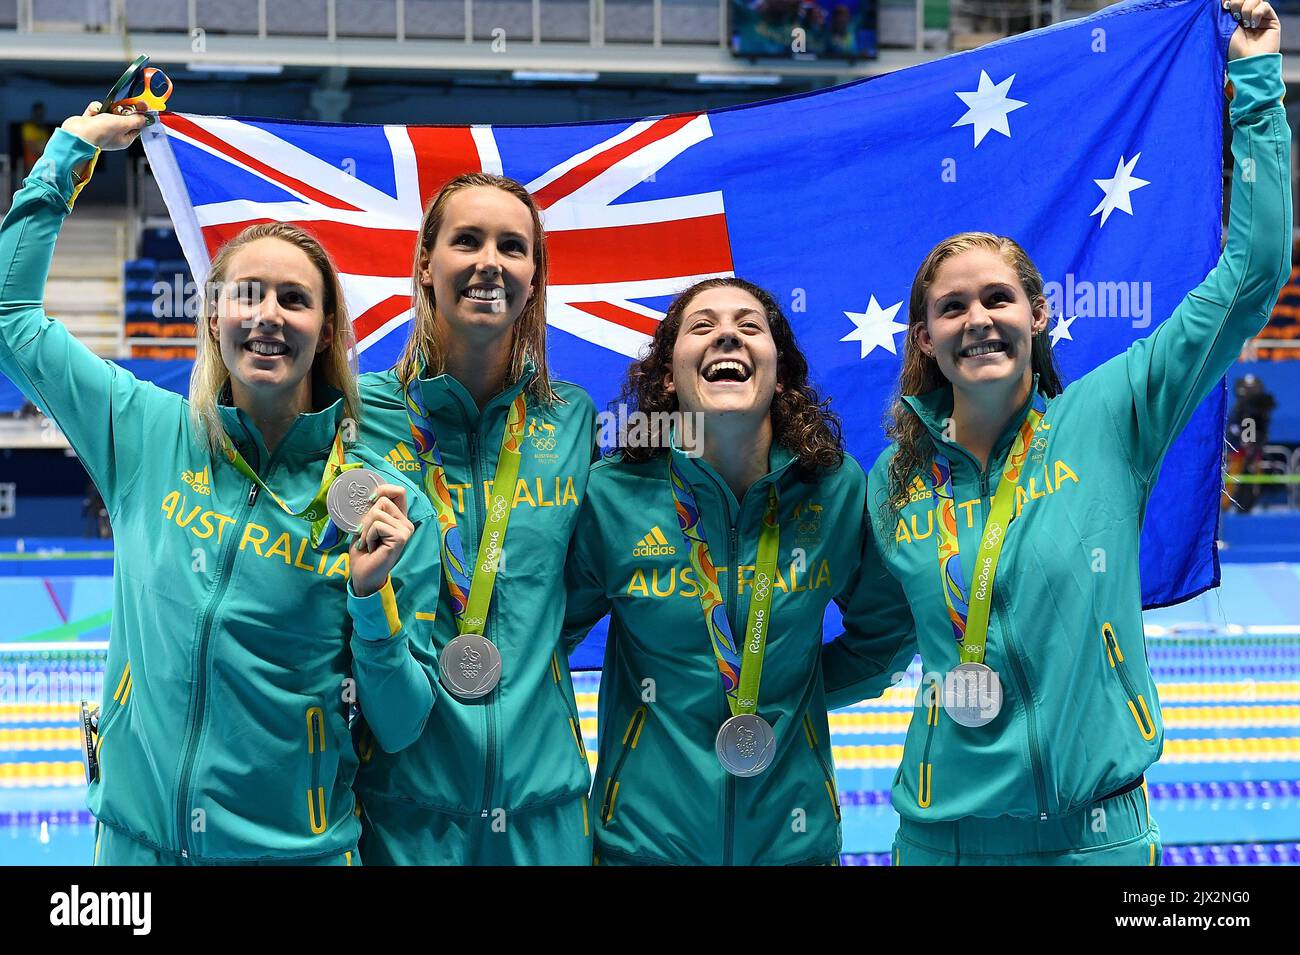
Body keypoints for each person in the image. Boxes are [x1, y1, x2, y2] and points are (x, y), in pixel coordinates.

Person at [867, 0, 1289, 865]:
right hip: (936, 843)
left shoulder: (1109, 416)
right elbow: (870, 643)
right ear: (924, 340)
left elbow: (1252, 273)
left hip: (1095, 842)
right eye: (952, 307)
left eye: (997, 299)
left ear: (1038, 315)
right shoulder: (894, 481)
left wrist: (1253, 78)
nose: (978, 320)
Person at [0, 102, 440, 865]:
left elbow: (400, 724)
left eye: (295, 299)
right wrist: (67, 154)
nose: (268, 316)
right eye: (246, 294)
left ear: (329, 330)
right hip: (133, 851)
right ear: (212, 318)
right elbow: (10, 316)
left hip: (296, 855)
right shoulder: (145, 431)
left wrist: (373, 605)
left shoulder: (386, 506)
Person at [562, 277, 915, 865]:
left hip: (793, 847)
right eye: (702, 327)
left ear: (779, 373)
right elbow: (542, 642)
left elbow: (885, 638)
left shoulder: (833, 489)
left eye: (750, 327)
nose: (727, 334)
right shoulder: (613, 496)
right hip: (643, 848)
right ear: (669, 376)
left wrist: (793, 695)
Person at [352, 172, 598, 865]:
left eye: (513, 247)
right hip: (404, 814)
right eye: (468, 241)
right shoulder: (357, 414)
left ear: (534, 275)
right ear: (426, 264)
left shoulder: (570, 420)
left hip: (543, 814)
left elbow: (574, 588)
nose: (491, 261)